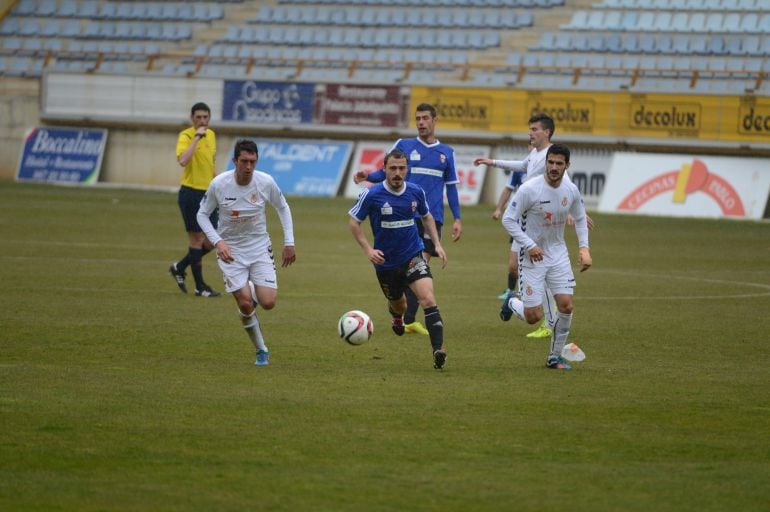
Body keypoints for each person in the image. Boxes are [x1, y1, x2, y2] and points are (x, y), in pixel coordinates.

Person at [352, 103, 461, 337]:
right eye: (417, 118)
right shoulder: (403, 145)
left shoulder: (447, 153)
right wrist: (368, 176)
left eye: (425, 118)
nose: (421, 122)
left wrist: (458, 218)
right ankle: (406, 315)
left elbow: (451, 189)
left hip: (432, 216)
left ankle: (406, 317)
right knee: (415, 267)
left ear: (435, 120)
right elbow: (387, 171)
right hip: (404, 214)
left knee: (420, 266)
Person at [196, 139, 297, 366]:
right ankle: (261, 350)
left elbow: (283, 207)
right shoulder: (219, 184)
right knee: (244, 304)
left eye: (252, 161)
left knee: (268, 302)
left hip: (260, 247)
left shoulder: (265, 182)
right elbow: (202, 215)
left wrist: (289, 242)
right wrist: (218, 242)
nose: (248, 166)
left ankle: (249, 288)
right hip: (230, 250)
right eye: (244, 161)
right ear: (235, 161)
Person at [348, 149, 449, 370]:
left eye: (401, 168)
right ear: (384, 169)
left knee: (428, 299)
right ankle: (396, 317)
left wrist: (437, 244)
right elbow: (354, 222)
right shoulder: (372, 195)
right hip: (386, 264)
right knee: (399, 305)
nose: (397, 173)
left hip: (413, 255)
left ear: (407, 169)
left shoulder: (415, 192)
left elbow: (427, 216)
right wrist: (368, 250)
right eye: (392, 168)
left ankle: (438, 350)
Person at [499, 144, 592, 370]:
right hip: (532, 257)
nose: (553, 167)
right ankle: (512, 301)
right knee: (533, 316)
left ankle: (554, 357)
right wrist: (529, 245)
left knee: (566, 306)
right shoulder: (529, 189)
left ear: (566, 166)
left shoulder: (571, 190)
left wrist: (584, 249)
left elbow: (580, 219)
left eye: (559, 164)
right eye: (550, 162)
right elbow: (508, 219)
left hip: (558, 254)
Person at [474, 113, 558, 339]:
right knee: (514, 267)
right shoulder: (534, 154)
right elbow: (521, 166)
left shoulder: (552, 156)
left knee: (545, 272)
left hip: (540, 223)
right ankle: (516, 301)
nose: (530, 133)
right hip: (523, 219)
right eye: (529, 129)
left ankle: (548, 324)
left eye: (534, 129)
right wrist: (492, 162)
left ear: (546, 132)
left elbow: (565, 183)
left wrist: (571, 210)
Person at [169, 102, 221, 297]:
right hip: (190, 193)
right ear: (192, 118)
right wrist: (197, 137)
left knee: (214, 238)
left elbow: (210, 164)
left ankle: (179, 266)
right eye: (198, 117)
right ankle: (200, 287)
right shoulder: (186, 136)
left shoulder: (213, 135)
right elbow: (183, 160)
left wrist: (220, 183)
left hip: (208, 194)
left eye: (205, 117)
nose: (202, 121)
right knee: (197, 239)